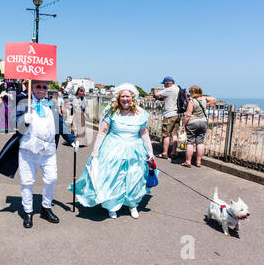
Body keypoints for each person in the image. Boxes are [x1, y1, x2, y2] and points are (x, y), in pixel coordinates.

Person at [69, 83, 156, 219]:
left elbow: (144, 133)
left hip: (135, 150)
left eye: (128, 96)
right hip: (113, 148)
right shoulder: (112, 111)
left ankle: (132, 205)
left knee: (134, 178)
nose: (125, 99)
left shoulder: (140, 113)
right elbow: (102, 132)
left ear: (132, 97)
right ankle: (112, 206)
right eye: (122, 96)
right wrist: (95, 151)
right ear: (118, 98)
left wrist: (150, 152)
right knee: (113, 177)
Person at [15, 80, 77, 229]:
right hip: (28, 150)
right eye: (38, 86)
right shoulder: (23, 102)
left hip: (48, 151)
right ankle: (28, 211)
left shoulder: (51, 105)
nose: (42, 89)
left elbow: (60, 124)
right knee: (27, 182)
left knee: (51, 179)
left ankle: (46, 207)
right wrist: (23, 119)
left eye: (44, 87)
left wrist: (72, 140)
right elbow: (11, 122)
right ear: (32, 87)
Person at [181, 86, 216, 168]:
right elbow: (213, 99)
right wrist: (202, 97)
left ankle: (188, 161)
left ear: (192, 93)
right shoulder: (204, 100)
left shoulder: (192, 101)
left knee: (190, 142)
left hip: (193, 122)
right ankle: (198, 162)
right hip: (203, 122)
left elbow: (188, 115)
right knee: (200, 142)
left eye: (190, 92)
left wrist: (183, 125)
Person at [153, 76, 180, 159]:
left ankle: (164, 153)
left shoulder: (169, 89)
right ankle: (173, 153)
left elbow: (156, 95)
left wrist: (156, 93)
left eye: (164, 84)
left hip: (169, 115)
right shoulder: (178, 89)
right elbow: (165, 98)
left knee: (166, 135)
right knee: (174, 134)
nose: (164, 86)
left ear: (168, 83)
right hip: (177, 114)